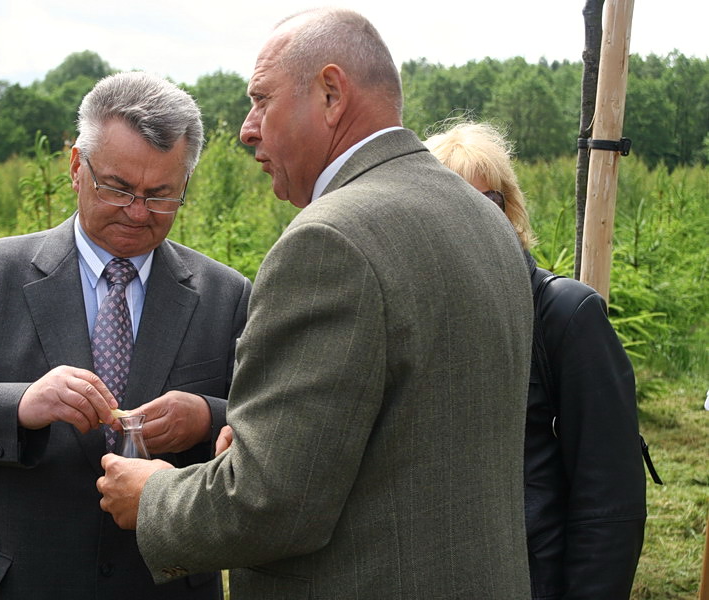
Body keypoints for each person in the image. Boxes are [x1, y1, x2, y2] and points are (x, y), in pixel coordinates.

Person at [96, 9, 534, 598]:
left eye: (261, 101)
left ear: (331, 93)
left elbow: (271, 503)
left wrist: (152, 495)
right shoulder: (479, 214)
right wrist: (255, 441)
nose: (247, 129)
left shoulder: (330, 241)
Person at [0, 71, 251, 599]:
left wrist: (206, 417)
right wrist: (21, 404)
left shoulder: (227, 294)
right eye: (118, 188)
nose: (138, 212)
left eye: (161, 195)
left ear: (185, 185)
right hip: (15, 584)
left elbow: (268, 424)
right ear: (77, 166)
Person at [425, 120, 647, 599]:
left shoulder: (565, 315)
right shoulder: (417, 321)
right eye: (450, 205)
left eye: (489, 202)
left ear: (512, 210)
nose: (477, 220)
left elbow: (611, 502)